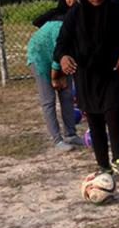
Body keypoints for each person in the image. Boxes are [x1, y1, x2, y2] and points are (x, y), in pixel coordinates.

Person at [53, 0, 119, 180]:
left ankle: (118, 160)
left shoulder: (116, 9)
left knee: (113, 115)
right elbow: (62, 43)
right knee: (95, 120)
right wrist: (63, 58)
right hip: (86, 77)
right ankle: (103, 166)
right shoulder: (76, 14)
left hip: (113, 74)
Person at [27, 18, 83, 151]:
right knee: (48, 100)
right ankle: (57, 140)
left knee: (67, 95)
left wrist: (63, 76)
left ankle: (71, 134)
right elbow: (58, 56)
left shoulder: (82, 33)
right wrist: (54, 78)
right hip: (40, 57)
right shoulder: (61, 31)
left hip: (59, 59)